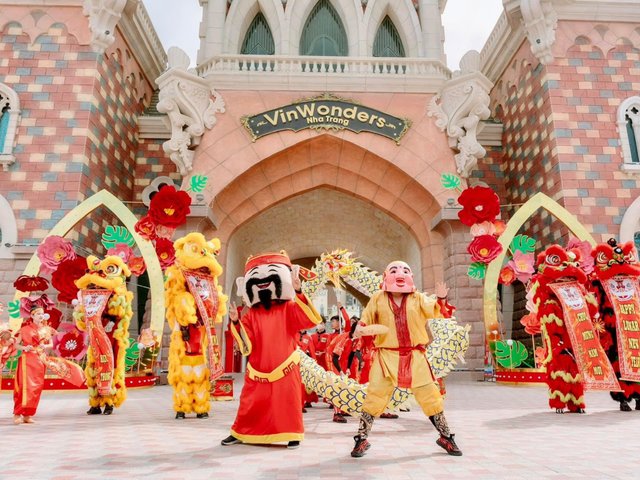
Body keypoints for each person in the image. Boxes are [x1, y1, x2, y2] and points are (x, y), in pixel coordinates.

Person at [350, 261, 462, 458]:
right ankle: (361, 439)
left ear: (410, 276)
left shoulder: (418, 298)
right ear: (385, 276)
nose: (399, 274)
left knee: (430, 395)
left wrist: (442, 298)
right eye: (393, 270)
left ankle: (446, 437)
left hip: (415, 357)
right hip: (386, 356)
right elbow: (366, 319)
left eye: (405, 270)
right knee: (375, 395)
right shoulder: (378, 298)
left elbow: (438, 310)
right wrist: (360, 328)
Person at [221, 251, 322, 449]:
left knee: (287, 402)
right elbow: (246, 341)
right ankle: (241, 432)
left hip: (285, 366)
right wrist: (235, 321)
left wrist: (299, 291)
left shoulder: (289, 307)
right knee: (249, 402)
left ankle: (292, 433)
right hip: (258, 368)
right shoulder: (252, 314)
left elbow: (310, 319)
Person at [13, 296, 54, 424]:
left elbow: (51, 344)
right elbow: (16, 344)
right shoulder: (24, 329)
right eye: (38, 314)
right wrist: (25, 347)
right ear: (32, 316)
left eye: (42, 314)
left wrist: (45, 346)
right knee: (24, 386)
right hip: (27, 360)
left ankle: (28, 414)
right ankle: (17, 413)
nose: (41, 316)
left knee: (36, 388)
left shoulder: (46, 329)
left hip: (40, 360)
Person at [297, 329, 318, 411]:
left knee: (303, 384)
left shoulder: (308, 337)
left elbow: (312, 350)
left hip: (303, 362)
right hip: (293, 361)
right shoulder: (294, 335)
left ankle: (301, 405)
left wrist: (314, 363)